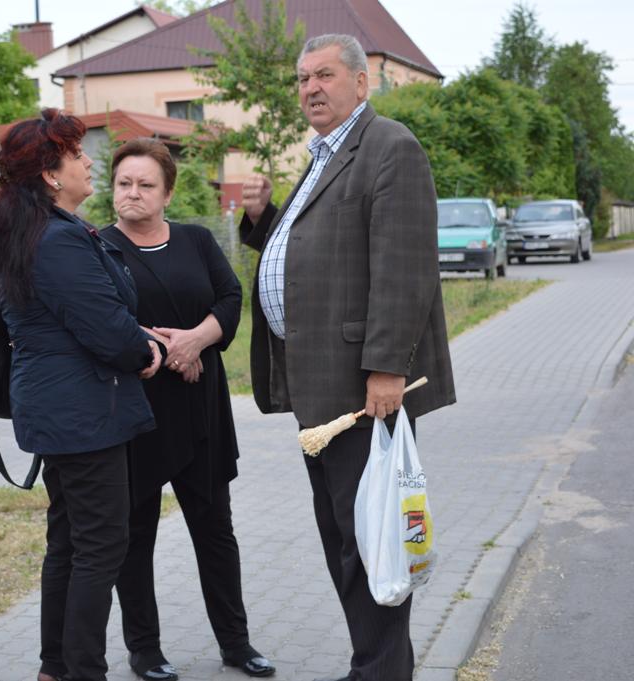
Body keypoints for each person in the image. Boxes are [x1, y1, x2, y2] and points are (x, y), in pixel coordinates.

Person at [239, 35, 455, 681]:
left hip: (362, 390)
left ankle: (381, 671)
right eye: (303, 78)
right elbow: (316, 245)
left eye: (325, 75)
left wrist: (387, 368)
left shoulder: (389, 146)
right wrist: (263, 219)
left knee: (372, 539)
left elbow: (404, 267)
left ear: (361, 83)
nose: (310, 88)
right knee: (345, 536)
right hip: (321, 389)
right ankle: (374, 666)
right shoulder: (324, 154)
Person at [0, 109, 164, 681]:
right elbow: (105, 329)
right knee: (100, 547)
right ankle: (82, 670)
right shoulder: (56, 240)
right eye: (77, 154)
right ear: (51, 174)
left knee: (71, 543)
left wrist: (135, 338)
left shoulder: (44, 232)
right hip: (82, 416)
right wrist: (146, 351)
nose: (88, 162)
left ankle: (55, 668)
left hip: (67, 411)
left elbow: (84, 318)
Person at [100, 138, 276, 680]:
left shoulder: (197, 240)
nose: (132, 192)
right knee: (135, 536)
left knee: (215, 529)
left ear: (168, 193)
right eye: (124, 183)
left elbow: (230, 298)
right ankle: (145, 650)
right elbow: (101, 319)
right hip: (136, 411)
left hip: (201, 407)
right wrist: (172, 349)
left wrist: (198, 339)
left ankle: (236, 644)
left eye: (145, 184)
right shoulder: (97, 248)